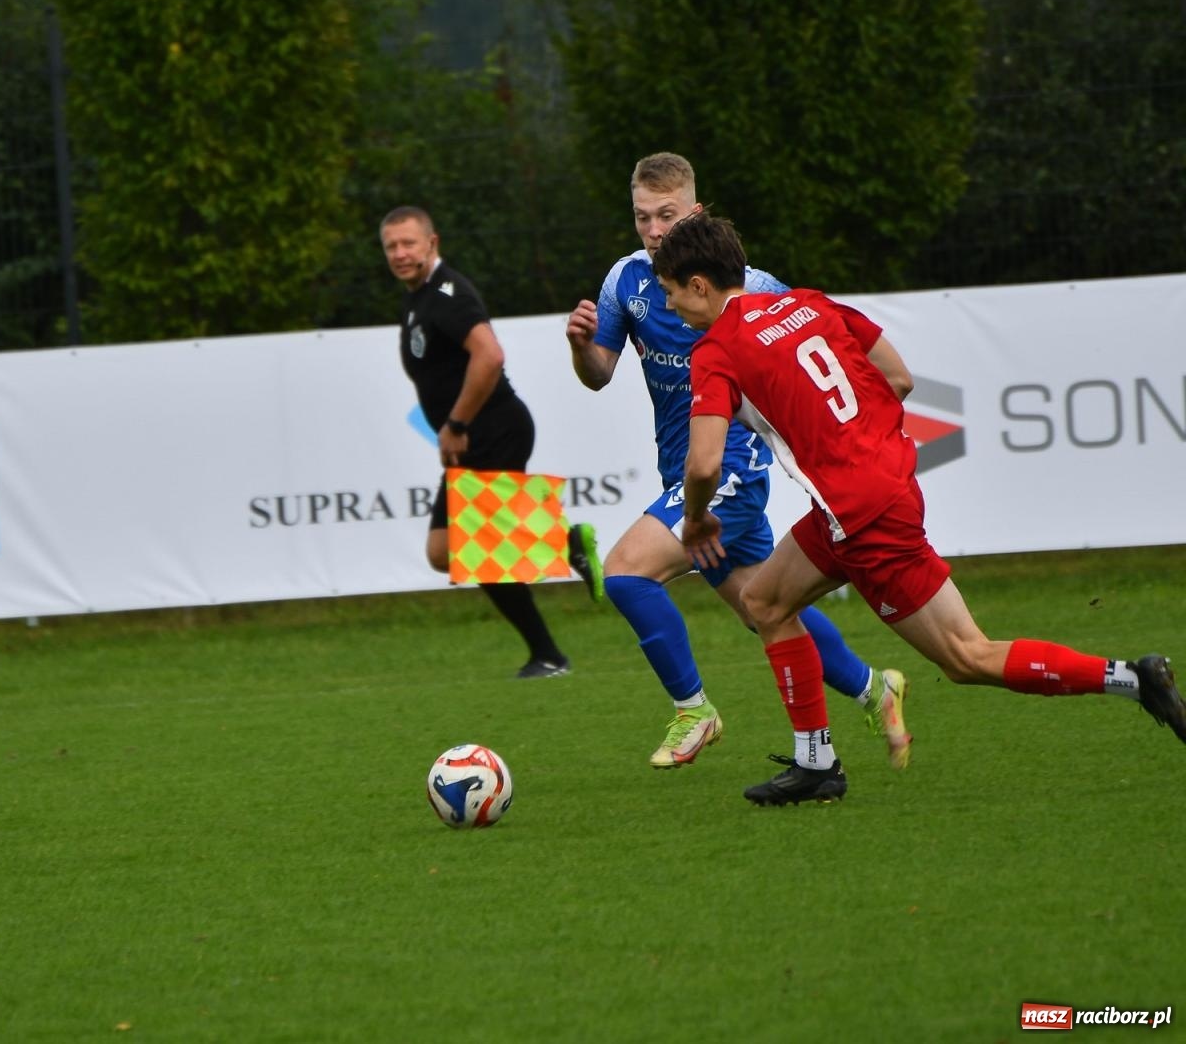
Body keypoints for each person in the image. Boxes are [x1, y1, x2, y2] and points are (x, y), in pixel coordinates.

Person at [657, 210, 1186, 805]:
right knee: (764, 601)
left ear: (699, 284)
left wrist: (699, 517)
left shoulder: (718, 348)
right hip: (871, 494)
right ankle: (816, 763)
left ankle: (1133, 679)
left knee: (967, 656)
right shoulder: (808, 303)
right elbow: (899, 377)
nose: (672, 307)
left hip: (863, 518)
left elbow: (702, 464)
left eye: (673, 293)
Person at [564, 153, 910, 769]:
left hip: (729, 469)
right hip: (685, 471)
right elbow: (598, 376)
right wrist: (581, 347)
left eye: (665, 215)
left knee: (624, 573)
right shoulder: (625, 280)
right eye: (642, 217)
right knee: (764, 608)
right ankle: (873, 689)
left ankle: (694, 710)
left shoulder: (755, 287)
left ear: (694, 211)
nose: (652, 229)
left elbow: (831, 354)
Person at [381, 205, 574, 679]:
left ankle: (548, 655)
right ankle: (567, 547)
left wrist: (458, 424)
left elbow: (489, 355)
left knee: (473, 548)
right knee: (442, 551)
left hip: (492, 430)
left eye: (409, 243)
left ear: (432, 243)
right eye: (391, 246)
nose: (401, 253)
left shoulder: (448, 293)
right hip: (472, 437)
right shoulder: (417, 297)